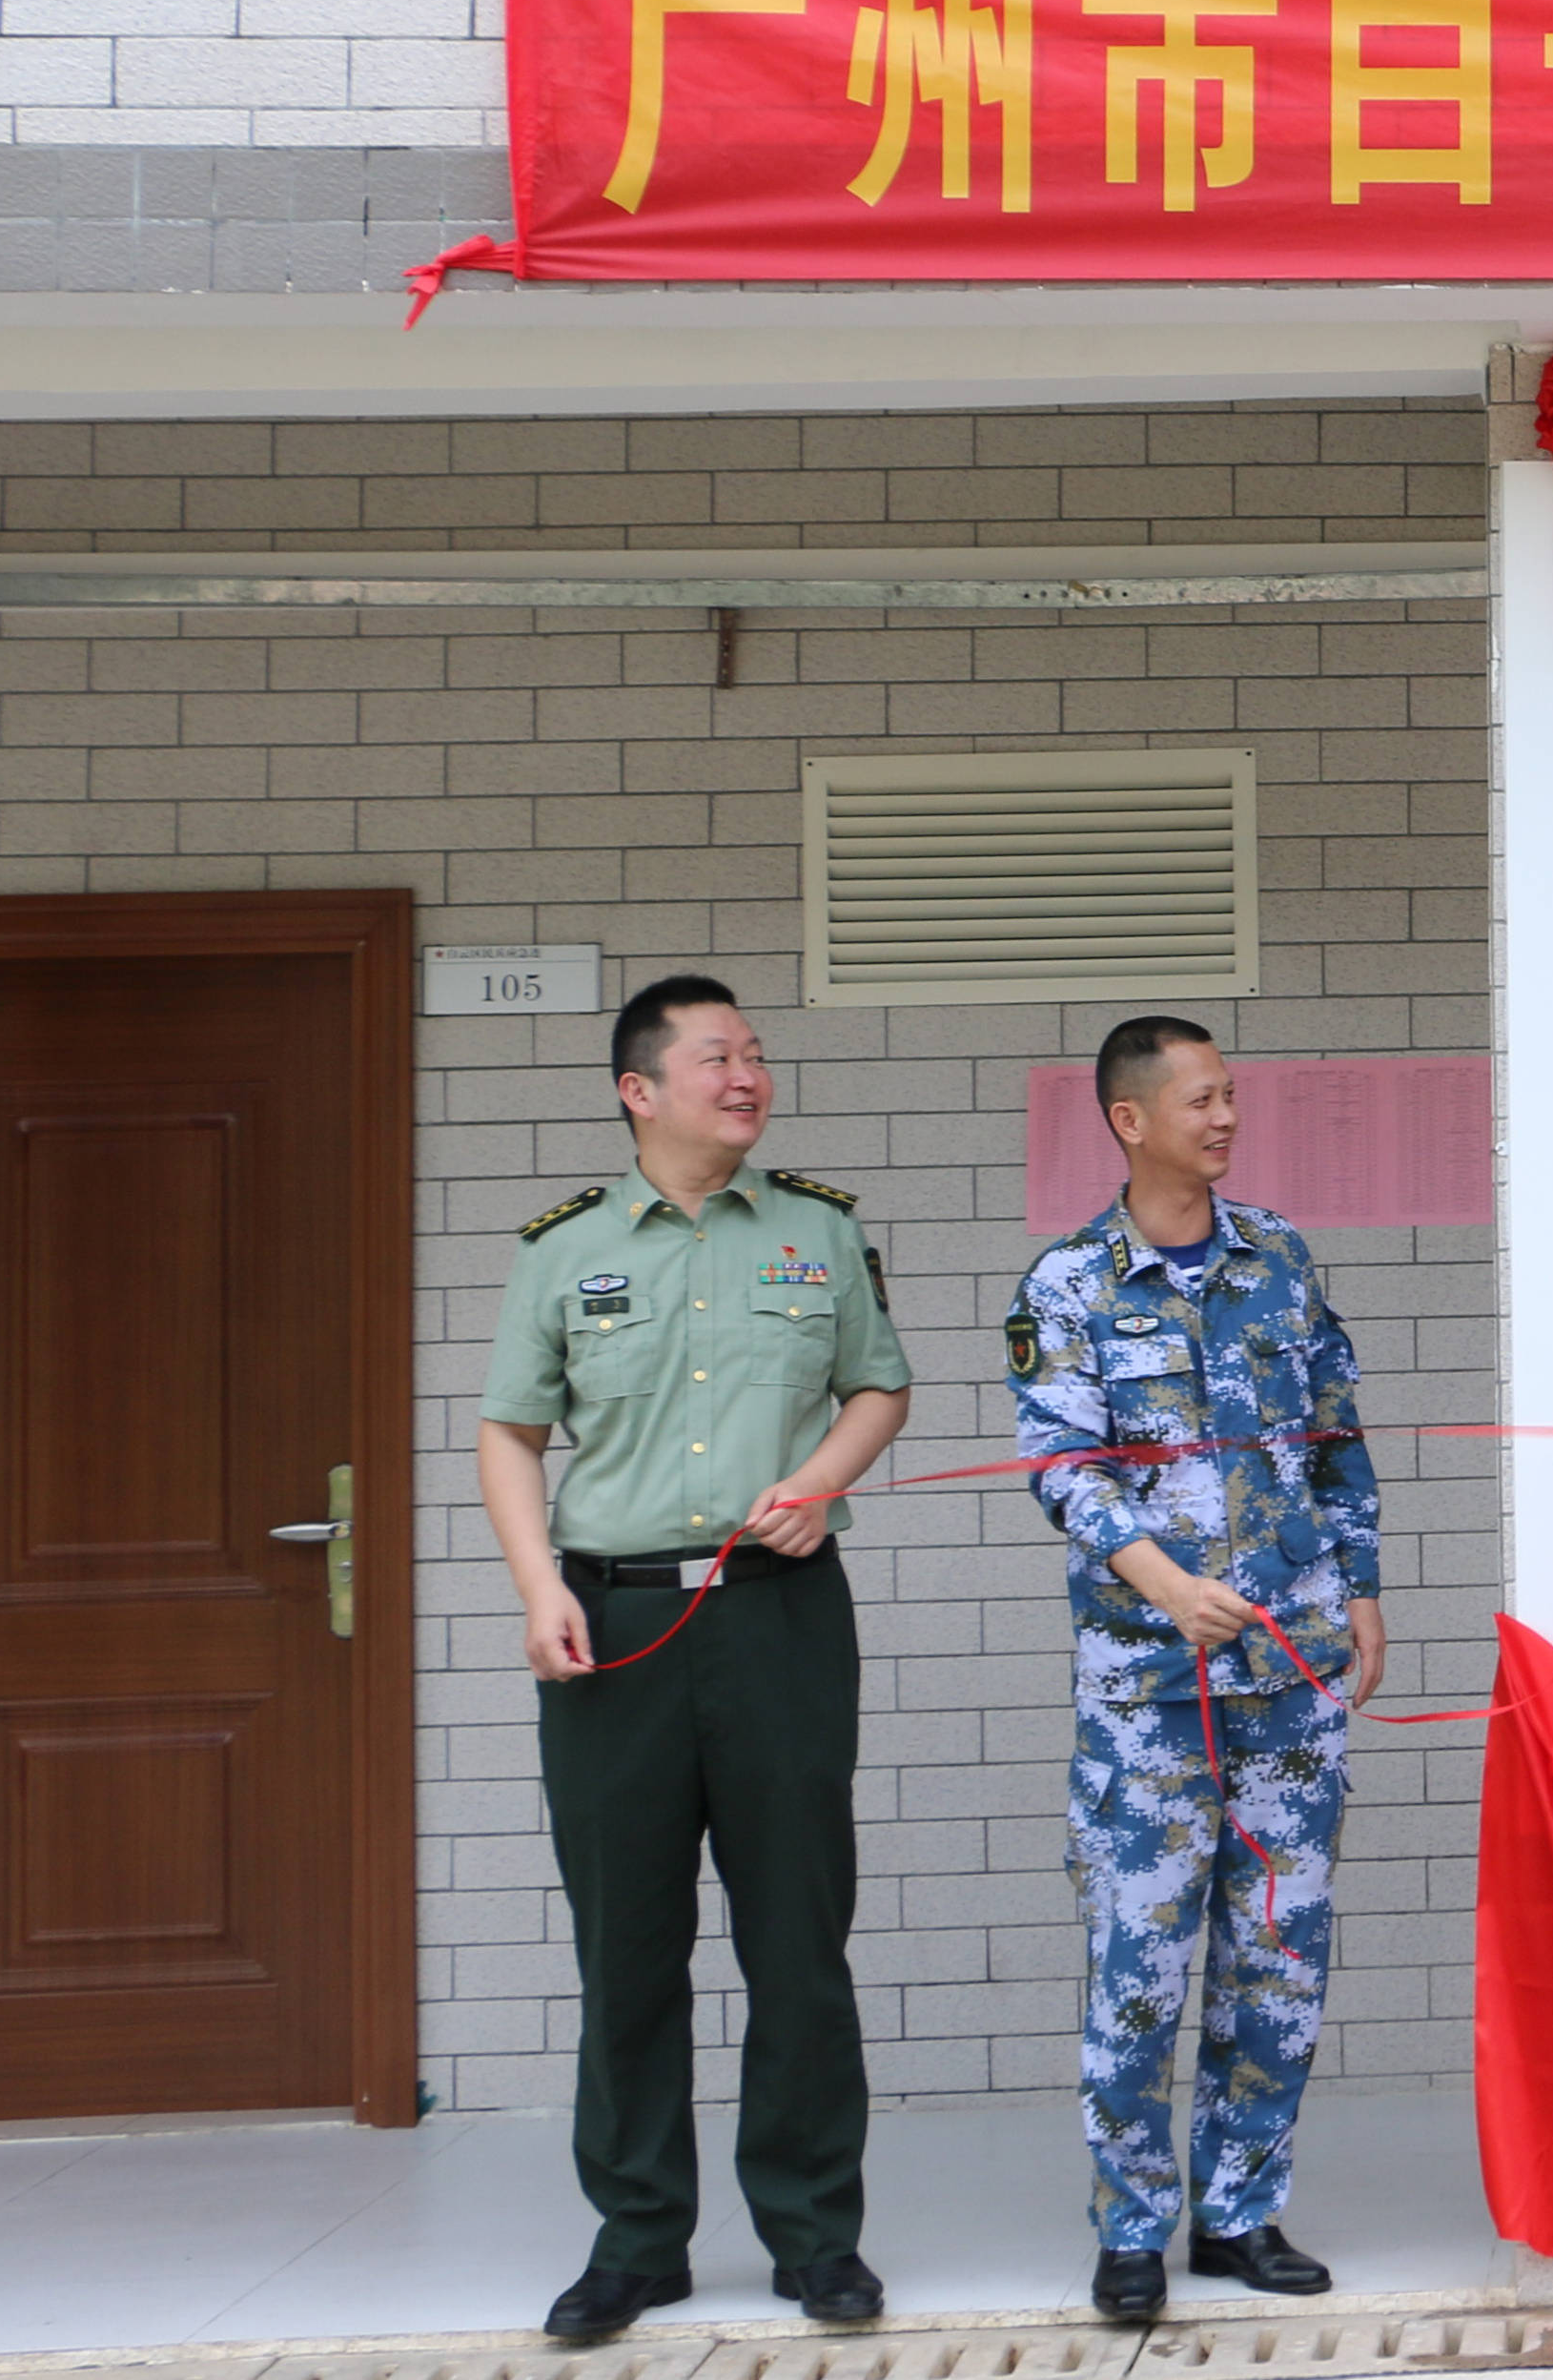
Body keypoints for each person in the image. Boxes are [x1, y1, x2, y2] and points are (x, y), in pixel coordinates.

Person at [480, 974, 914, 2345]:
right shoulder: (560, 1250)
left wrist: (820, 1476)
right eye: (717, 1054)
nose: (748, 1073)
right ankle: (635, 2236)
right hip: (609, 1624)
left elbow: (879, 1382)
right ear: (639, 1088)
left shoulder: (818, 1232)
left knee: (797, 1931)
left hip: (777, 1611)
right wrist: (536, 1582)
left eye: (756, 1053)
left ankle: (813, 2232)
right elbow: (509, 1430)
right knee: (627, 1940)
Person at [1009, 1016, 1385, 2329]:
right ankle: (1131, 2224)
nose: (1225, 1116)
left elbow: (1336, 1431)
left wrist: (1364, 1586)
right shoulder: (1069, 1283)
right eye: (1202, 1098)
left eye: (1230, 1096)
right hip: (1148, 1687)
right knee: (1141, 1958)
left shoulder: (1277, 1255)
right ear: (1129, 1117)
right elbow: (1059, 1463)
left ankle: (1238, 2209)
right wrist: (1166, 1582)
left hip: (1290, 1670)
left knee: (1275, 1953)